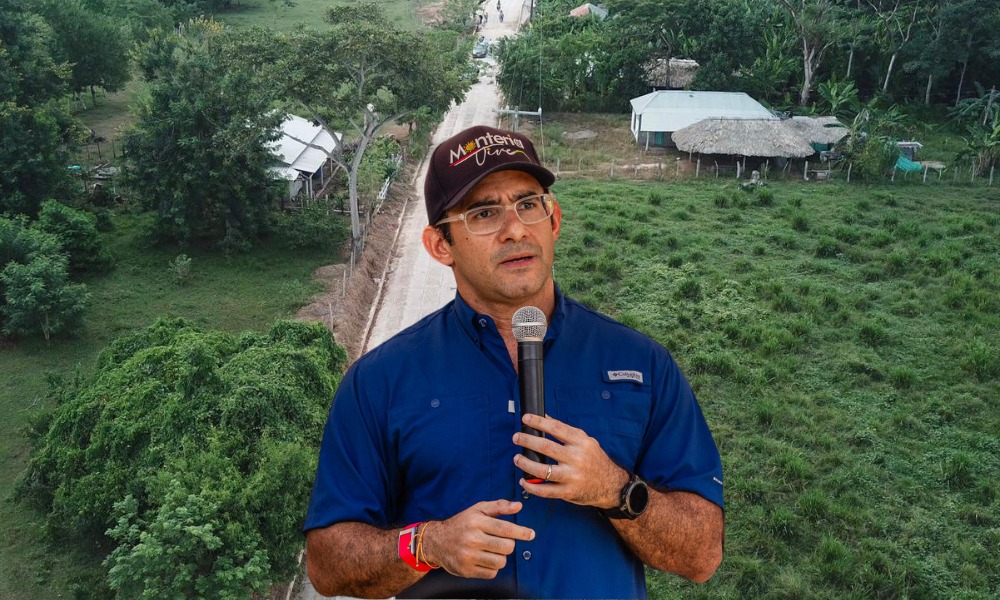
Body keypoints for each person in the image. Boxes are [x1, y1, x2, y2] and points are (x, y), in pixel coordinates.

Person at [303, 125, 724, 598]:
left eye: (528, 204)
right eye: (484, 213)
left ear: (554, 221)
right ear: (440, 245)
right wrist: (426, 544)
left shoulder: (643, 365)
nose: (516, 229)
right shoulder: (379, 381)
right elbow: (326, 564)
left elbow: (703, 555)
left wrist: (616, 490)